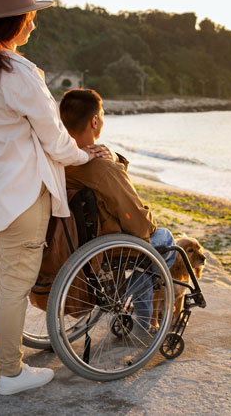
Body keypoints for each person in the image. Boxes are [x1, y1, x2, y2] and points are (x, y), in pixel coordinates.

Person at [0, 0, 107, 395]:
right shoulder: (20, 73)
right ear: (15, 21)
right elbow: (55, 139)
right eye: (31, 17)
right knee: (15, 287)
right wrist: (85, 155)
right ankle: (11, 372)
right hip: (21, 195)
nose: (34, 25)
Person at [58, 88, 177, 330]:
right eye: (101, 114)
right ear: (94, 121)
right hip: (105, 247)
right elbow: (140, 225)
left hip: (69, 243)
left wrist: (114, 156)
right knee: (166, 240)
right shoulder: (103, 169)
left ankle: (137, 310)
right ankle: (139, 316)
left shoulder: (59, 160)